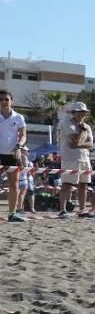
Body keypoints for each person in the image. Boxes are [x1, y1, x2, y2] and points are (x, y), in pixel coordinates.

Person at [59, 101, 94, 218]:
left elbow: (90, 145)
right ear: (73, 113)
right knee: (67, 184)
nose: (81, 115)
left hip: (84, 157)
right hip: (70, 157)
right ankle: (63, 210)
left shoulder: (87, 126)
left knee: (83, 184)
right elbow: (76, 140)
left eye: (83, 112)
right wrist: (82, 131)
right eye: (79, 112)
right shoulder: (67, 123)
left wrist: (79, 144)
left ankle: (82, 209)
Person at [0, 90, 28, 222]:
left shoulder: (19, 117)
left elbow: (23, 136)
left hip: (12, 154)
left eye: (6, 99)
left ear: (12, 101)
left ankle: (12, 213)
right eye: (1, 99)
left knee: (14, 184)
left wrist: (19, 147)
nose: (4, 102)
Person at [16, 146, 36, 214]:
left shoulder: (29, 161)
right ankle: (20, 208)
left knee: (25, 194)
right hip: (23, 178)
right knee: (22, 194)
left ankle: (22, 208)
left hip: (26, 179)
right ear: (22, 150)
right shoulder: (23, 157)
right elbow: (25, 167)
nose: (28, 152)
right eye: (26, 151)